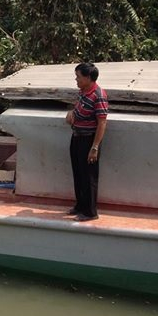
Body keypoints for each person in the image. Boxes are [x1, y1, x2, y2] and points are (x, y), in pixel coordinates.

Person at [64, 62, 108, 221]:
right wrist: (71, 115)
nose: (76, 80)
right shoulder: (83, 92)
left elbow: (102, 122)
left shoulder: (99, 95)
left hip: (89, 140)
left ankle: (90, 212)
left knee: (89, 176)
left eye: (78, 77)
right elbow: (78, 109)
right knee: (78, 173)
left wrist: (94, 147)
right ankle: (80, 205)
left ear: (88, 77)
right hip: (77, 136)